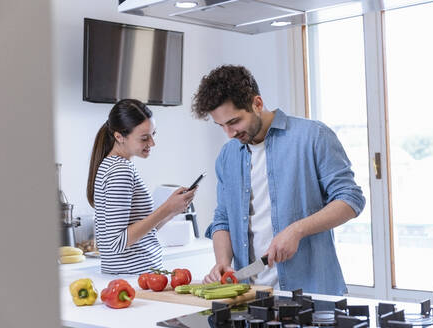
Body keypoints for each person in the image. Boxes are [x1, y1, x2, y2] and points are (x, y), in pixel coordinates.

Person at [192, 65, 365, 295]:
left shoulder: (313, 136)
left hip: (311, 292)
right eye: (221, 125)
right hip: (250, 296)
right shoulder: (227, 155)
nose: (229, 133)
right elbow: (223, 217)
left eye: (234, 121)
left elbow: (351, 199)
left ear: (257, 104)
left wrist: (297, 230)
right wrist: (222, 261)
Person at [86, 99, 196, 274]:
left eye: (153, 134)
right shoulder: (120, 171)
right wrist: (166, 208)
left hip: (135, 277)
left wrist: (172, 211)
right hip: (134, 278)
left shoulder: (114, 165)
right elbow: (117, 243)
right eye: (144, 138)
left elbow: (140, 233)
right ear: (119, 136)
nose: (152, 143)